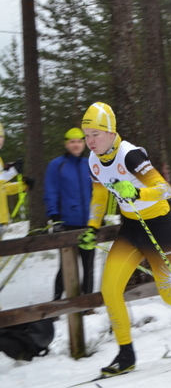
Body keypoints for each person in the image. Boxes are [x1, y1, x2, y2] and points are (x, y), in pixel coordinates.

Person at [77, 102, 171, 377]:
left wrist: (137, 193)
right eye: (87, 135)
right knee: (110, 288)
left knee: (169, 290)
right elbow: (100, 195)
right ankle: (126, 354)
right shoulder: (93, 160)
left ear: (110, 132)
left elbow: (164, 189)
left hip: (158, 226)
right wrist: (92, 227)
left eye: (95, 134)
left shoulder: (130, 155)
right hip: (131, 227)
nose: (90, 141)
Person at [45, 128, 95, 300]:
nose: (76, 145)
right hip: (67, 223)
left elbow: (98, 192)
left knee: (88, 264)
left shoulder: (89, 164)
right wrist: (55, 218)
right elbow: (51, 191)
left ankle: (88, 303)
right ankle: (57, 300)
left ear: (84, 143)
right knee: (66, 265)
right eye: (72, 142)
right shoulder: (57, 165)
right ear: (66, 144)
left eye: (79, 141)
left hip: (89, 223)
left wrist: (98, 216)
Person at [0, 121, 33, 240]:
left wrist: (23, 185)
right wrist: (12, 172)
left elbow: (2, 188)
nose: (0, 139)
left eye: (1, 136)